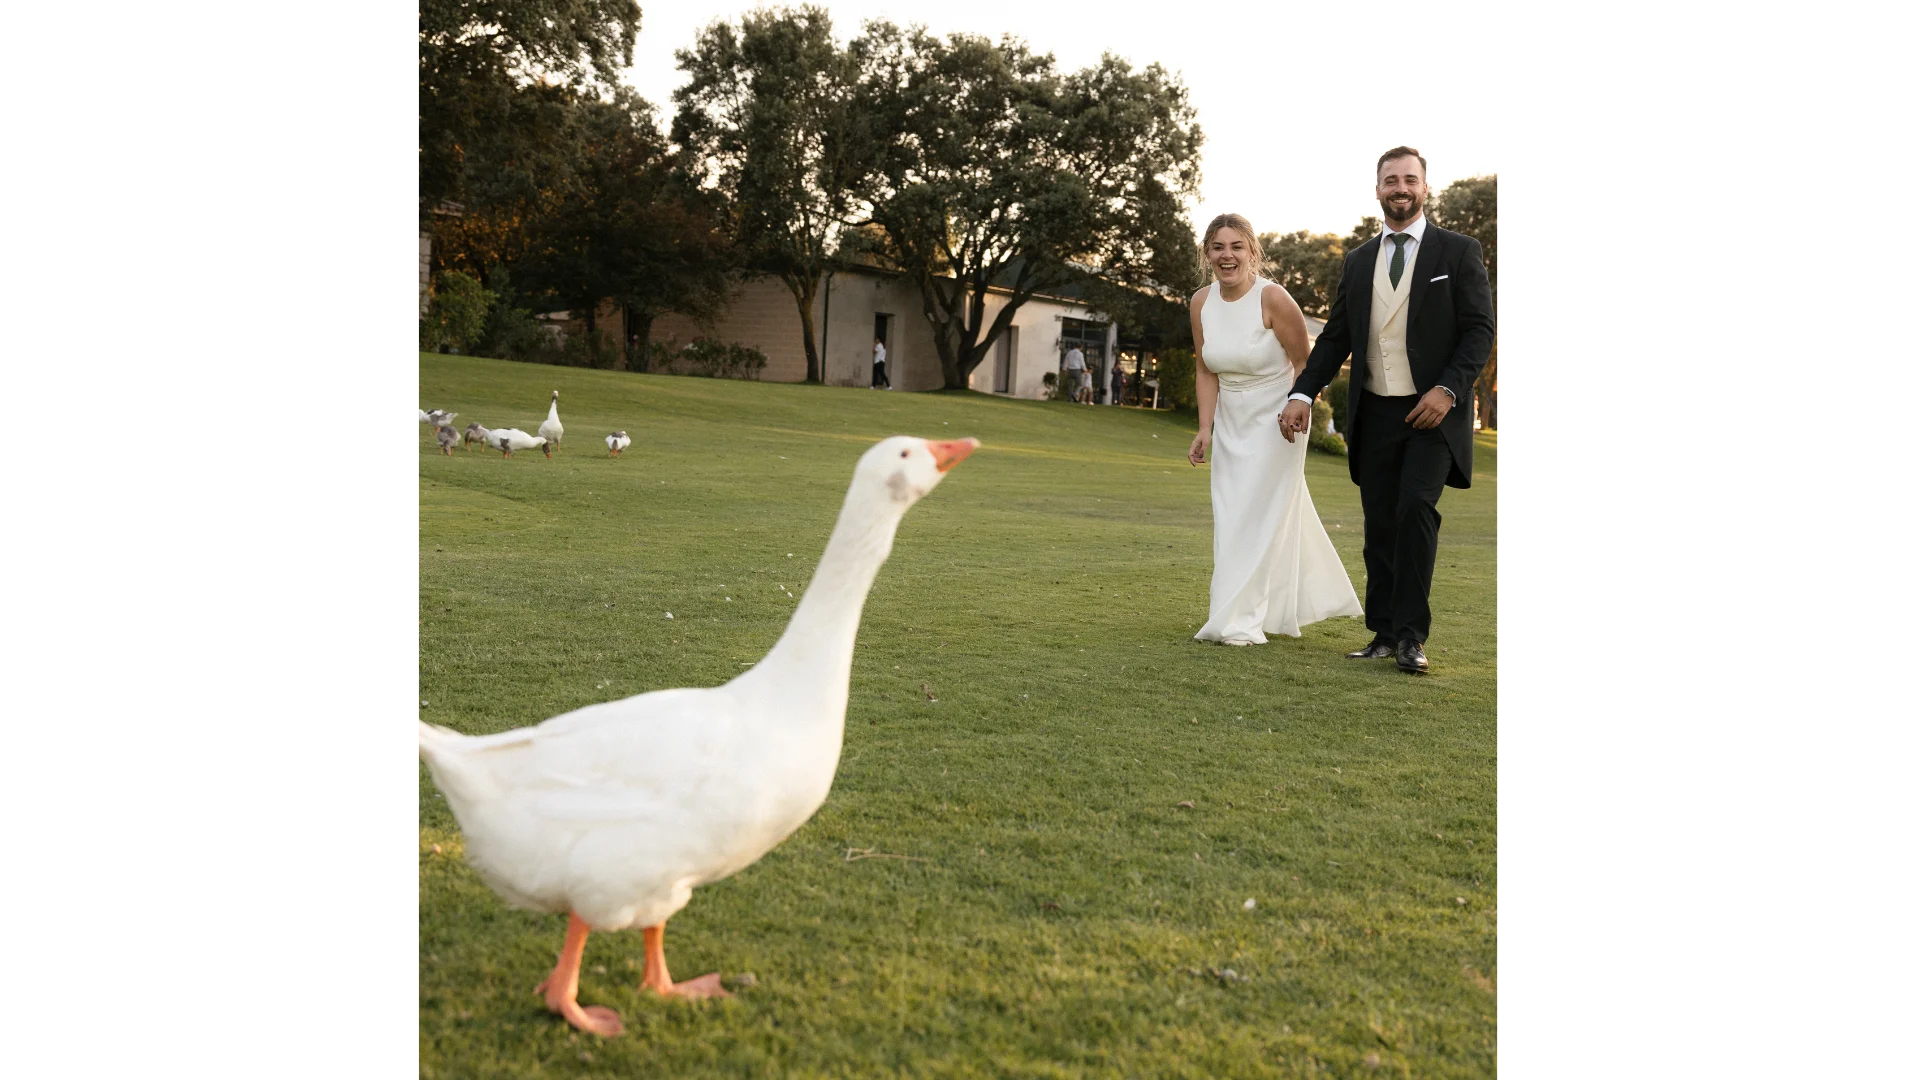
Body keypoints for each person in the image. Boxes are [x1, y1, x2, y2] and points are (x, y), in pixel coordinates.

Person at [1280, 147, 1495, 675]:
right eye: (1390, 180)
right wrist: (1302, 392)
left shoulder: (1459, 252)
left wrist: (1447, 390)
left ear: (1425, 188)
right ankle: (1381, 632)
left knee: (1415, 509)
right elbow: (1333, 340)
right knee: (1379, 522)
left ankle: (1411, 637)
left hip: (1434, 414)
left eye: (1410, 180)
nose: (1400, 188)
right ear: (1377, 190)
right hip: (1374, 413)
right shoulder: (1357, 261)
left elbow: (1479, 331)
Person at [1187, 212, 1362, 645]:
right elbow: (1205, 369)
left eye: (1236, 247)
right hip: (1230, 421)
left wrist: (1298, 406)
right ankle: (1272, 609)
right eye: (1217, 247)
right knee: (1232, 517)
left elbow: (1307, 365)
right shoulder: (1199, 302)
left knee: (1258, 515)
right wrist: (1205, 427)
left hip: (1277, 422)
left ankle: (1240, 623)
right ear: (1207, 254)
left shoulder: (1273, 298)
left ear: (1252, 251)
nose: (1227, 256)